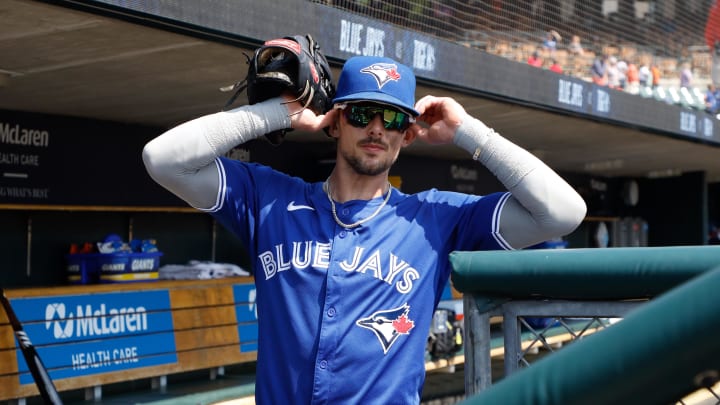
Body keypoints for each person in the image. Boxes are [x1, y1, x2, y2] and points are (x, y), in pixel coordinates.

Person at [142, 55, 586, 404]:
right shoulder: (269, 198)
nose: (376, 128)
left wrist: (469, 132)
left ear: (407, 135)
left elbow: (562, 212)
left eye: (392, 118)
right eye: (362, 113)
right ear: (334, 121)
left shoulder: (436, 218)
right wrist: (278, 112)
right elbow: (162, 159)